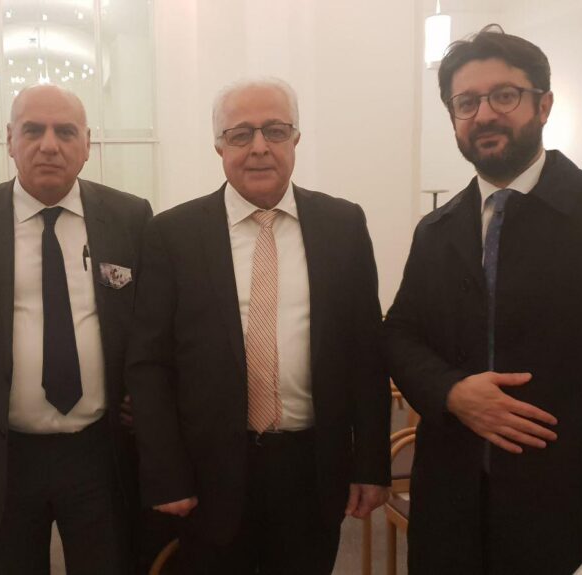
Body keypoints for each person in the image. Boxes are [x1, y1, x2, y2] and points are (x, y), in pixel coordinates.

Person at [385, 26, 582, 574]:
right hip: (453, 513)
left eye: (504, 95)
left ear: (543, 105)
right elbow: (400, 334)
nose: (484, 114)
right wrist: (451, 391)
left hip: (578, 513)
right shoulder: (436, 230)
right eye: (466, 103)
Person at [126, 77, 391, 575]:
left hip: (313, 467)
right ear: (219, 146)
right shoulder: (172, 235)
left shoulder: (343, 226)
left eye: (275, 130)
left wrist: (372, 465)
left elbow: (366, 354)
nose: (259, 147)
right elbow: (149, 365)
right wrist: (165, 472)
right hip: (208, 471)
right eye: (241, 134)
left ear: (296, 138)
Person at [0, 84, 153, 575]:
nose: (49, 145)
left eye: (65, 132)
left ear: (86, 144)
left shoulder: (130, 217)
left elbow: (149, 330)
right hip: (3, 458)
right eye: (33, 130)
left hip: (99, 454)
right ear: (10, 140)